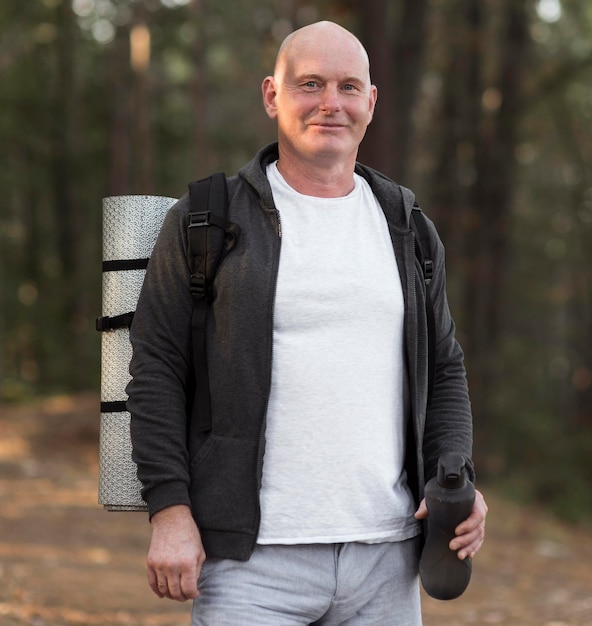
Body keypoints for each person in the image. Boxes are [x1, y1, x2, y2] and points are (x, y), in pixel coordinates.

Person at [127, 20, 487, 625]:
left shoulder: (408, 228)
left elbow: (444, 366)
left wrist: (455, 474)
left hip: (387, 561)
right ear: (272, 95)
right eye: (310, 84)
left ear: (371, 102)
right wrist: (169, 509)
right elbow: (157, 369)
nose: (330, 103)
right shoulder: (206, 220)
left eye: (349, 87)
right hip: (249, 566)